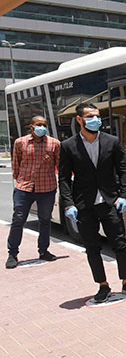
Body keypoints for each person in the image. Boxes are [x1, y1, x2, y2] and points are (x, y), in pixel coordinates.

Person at [58, 103, 126, 303]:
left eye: (97, 116)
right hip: (84, 206)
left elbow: (123, 170)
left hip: (110, 202)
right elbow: (64, 178)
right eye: (90, 116)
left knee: (120, 243)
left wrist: (124, 195)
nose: (95, 120)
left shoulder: (111, 142)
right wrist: (69, 204)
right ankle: (102, 285)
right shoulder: (68, 146)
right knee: (92, 248)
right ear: (79, 120)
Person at [6, 115, 61, 268]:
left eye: (44, 124)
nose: (42, 127)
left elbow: (59, 164)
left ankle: (43, 250)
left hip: (47, 189)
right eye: (38, 124)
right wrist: (20, 180)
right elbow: (15, 163)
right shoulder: (20, 142)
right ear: (31, 126)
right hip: (24, 188)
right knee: (18, 220)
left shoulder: (54, 143)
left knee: (45, 220)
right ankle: (12, 253)